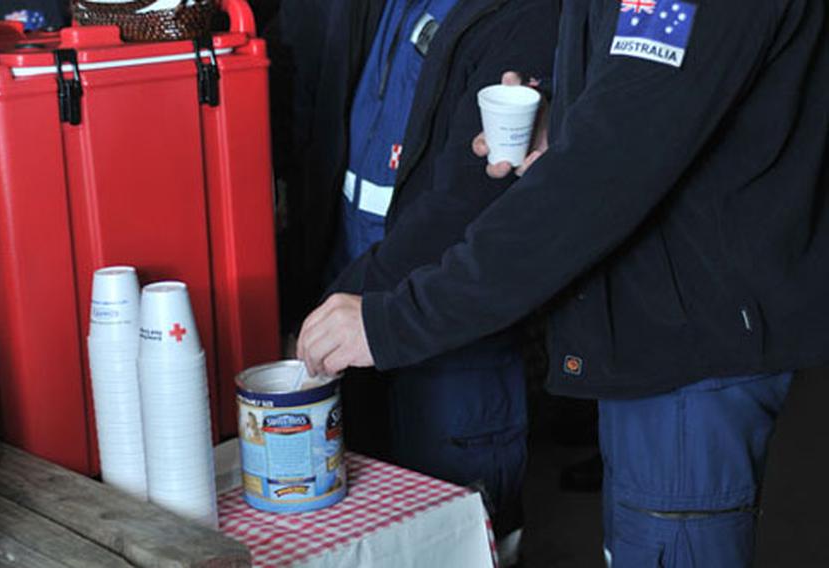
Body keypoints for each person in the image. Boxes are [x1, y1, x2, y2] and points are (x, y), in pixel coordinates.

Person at [297, 0, 828, 565]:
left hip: (688, 359)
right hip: (657, 337)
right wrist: (562, 126)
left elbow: (599, 176)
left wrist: (394, 319)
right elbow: (640, 115)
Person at [279, 0, 558, 545]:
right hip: (348, 327)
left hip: (450, 355)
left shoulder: (523, 15)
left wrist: (342, 307)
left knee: (453, 543)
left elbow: (468, 204)